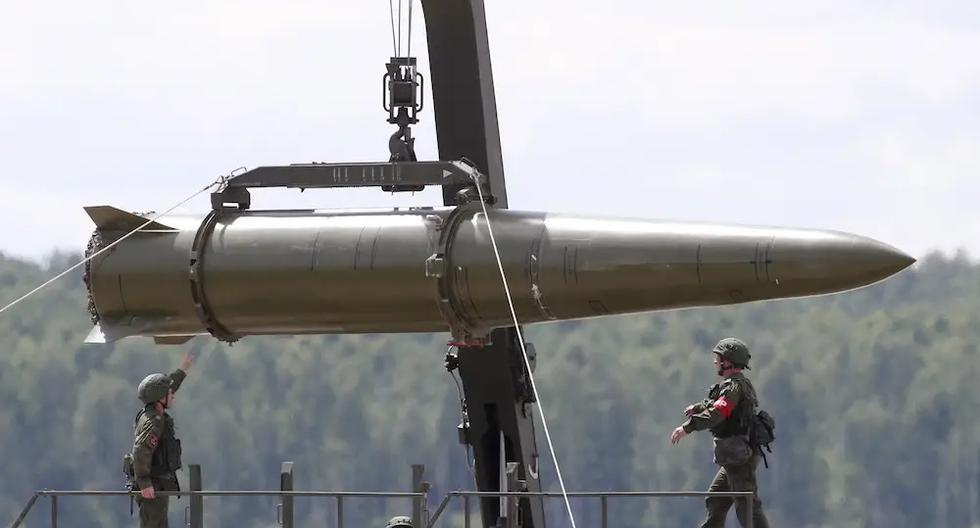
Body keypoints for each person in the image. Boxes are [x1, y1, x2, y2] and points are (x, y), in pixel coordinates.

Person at [670, 338, 770, 528]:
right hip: (735, 456)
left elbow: (718, 413)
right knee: (716, 500)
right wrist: (698, 407)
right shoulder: (736, 384)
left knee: (746, 506)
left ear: (728, 361)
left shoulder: (734, 386)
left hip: (739, 457)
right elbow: (717, 404)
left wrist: (687, 428)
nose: (716, 362)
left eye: (719, 359)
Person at [132, 352, 194, 528]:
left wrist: (182, 370)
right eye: (169, 394)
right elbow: (141, 451)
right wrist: (144, 483)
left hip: (158, 484)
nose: (172, 396)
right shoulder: (154, 422)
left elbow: (169, 388)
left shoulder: (155, 411)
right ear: (160, 399)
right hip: (153, 486)